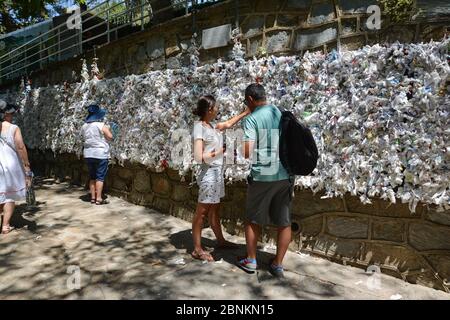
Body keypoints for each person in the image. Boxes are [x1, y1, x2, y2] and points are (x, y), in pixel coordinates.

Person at [237, 83, 294, 278]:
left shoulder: (252, 119)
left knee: (253, 219)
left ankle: (251, 260)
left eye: (247, 101)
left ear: (251, 100)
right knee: (284, 221)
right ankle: (277, 264)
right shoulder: (279, 112)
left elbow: (246, 152)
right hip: (285, 173)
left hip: (262, 175)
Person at [191, 95, 250, 262]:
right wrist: (220, 152)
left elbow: (229, 123)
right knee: (201, 213)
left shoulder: (212, 126)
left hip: (217, 173)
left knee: (215, 209)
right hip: (208, 174)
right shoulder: (199, 128)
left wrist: (246, 112)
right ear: (209, 109)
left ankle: (221, 241)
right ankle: (197, 249)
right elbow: (198, 156)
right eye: (216, 107)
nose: (218, 109)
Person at [0, 100, 32, 234]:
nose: (12, 116)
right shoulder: (13, 128)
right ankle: (5, 225)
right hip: (9, 165)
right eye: (10, 113)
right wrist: (27, 166)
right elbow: (20, 146)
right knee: (9, 195)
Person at [80, 104, 113, 205]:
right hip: (100, 154)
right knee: (100, 177)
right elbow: (110, 137)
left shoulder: (84, 126)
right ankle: (99, 198)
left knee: (92, 176)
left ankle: (93, 198)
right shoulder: (101, 125)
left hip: (88, 154)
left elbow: (82, 138)